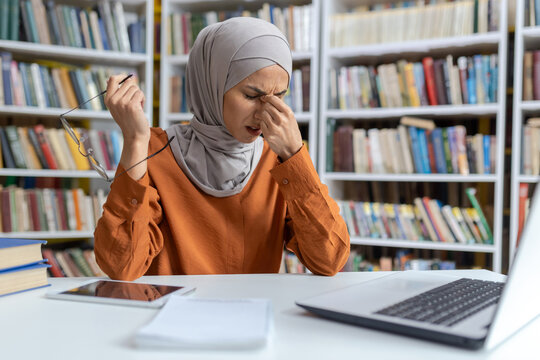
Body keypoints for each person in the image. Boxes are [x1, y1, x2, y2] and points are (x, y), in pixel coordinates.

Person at [94, 17, 350, 281]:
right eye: (252, 96)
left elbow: (329, 260)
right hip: (173, 319)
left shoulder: (280, 159)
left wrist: (296, 156)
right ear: (211, 85)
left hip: (253, 318)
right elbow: (121, 266)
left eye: (280, 96)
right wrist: (135, 140)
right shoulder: (153, 150)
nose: (267, 113)